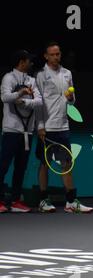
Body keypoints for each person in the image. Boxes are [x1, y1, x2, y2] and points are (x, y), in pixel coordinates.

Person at [35, 42, 93, 214]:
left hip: (62, 126)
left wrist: (70, 97)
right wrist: (40, 126)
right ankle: (43, 200)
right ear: (46, 56)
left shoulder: (67, 73)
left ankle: (70, 202)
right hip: (47, 126)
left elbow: (72, 101)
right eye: (52, 54)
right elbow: (38, 103)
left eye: (58, 54)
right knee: (45, 163)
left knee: (66, 163)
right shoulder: (40, 75)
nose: (56, 57)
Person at [0, 50, 43, 213]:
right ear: (21, 62)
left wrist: (23, 101)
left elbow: (39, 102)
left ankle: (16, 200)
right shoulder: (8, 78)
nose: (31, 63)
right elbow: (5, 97)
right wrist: (20, 92)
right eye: (28, 61)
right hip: (11, 130)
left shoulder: (32, 80)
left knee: (21, 167)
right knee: (3, 166)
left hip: (27, 132)